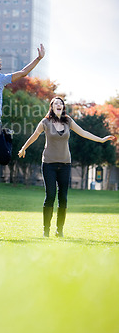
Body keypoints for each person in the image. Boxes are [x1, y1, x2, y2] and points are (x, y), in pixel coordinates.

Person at [18, 96, 115, 238]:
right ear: (51, 107)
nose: (59, 105)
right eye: (56, 103)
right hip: (49, 164)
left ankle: (59, 230)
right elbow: (34, 135)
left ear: (63, 107)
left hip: (65, 164)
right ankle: (46, 230)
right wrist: (23, 148)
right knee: (50, 196)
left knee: (63, 197)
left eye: (61, 103)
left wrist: (101, 139)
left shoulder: (68, 121)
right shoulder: (45, 122)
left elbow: (83, 132)